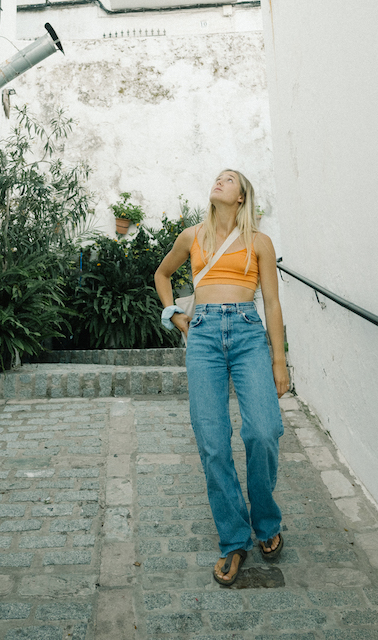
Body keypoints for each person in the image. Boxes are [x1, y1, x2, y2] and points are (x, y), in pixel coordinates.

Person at [154, 169, 290, 587]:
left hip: (249, 332)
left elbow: (271, 301)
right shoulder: (191, 236)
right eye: (217, 178)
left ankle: (265, 519)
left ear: (242, 197)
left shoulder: (259, 243)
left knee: (263, 431)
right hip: (204, 336)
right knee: (213, 441)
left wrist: (279, 360)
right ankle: (234, 539)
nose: (219, 181)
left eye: (229, 180)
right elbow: (161, 276)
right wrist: (176, 318)